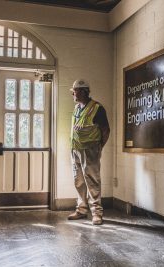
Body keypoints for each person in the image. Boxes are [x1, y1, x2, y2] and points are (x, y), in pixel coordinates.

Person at [68, 79, 110, 225]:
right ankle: (81, 209)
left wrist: (98, 148)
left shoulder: (97, 108)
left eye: (75, 90)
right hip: (75, 149)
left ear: (83, 91)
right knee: (78, 181)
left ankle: (97, 213)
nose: (73, 93)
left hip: (90, 150)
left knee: (92, 181)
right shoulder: (77, 108)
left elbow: (105, 130)